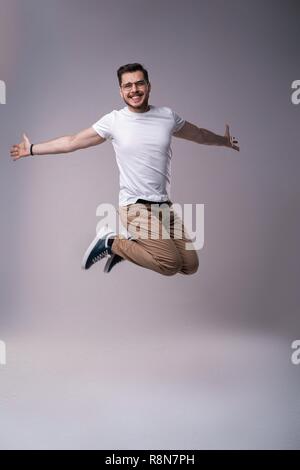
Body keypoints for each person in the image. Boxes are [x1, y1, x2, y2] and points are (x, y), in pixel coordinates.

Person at [10, 62, 239, 276]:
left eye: (139, 83)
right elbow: (72, 141)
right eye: (127, 85)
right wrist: (31, 149)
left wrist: (224, 141)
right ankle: (112, 243)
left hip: (163, 205)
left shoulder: (167, 116)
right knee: (169, 264)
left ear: (148, 86)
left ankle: (126, 248)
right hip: (134, 206)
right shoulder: (114, 121)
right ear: (121, 91)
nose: (134, 90)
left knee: (190, 266)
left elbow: (198, 134)